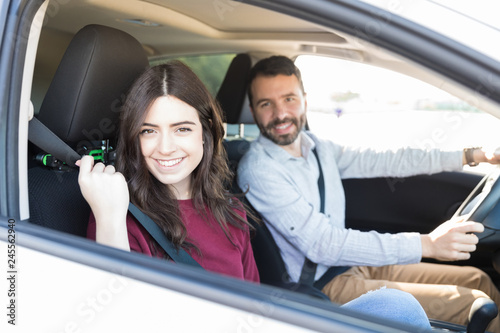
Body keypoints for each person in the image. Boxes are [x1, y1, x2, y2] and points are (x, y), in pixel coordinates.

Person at [77, 60, 432, 330]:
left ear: (205, 133)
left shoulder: (230, 211)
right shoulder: (119, 212)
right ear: (134, 138)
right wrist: (108, 217)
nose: (165, 147)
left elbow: (256, 304)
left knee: (395, 307)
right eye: (148, 131)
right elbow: (115, 319)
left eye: (181, 129)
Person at [237, 55, 500, 330]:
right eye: (266, 104)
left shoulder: (317, 148)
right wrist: (428, 244)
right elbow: (324, 244)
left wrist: (474, 155)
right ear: (253, 110)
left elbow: (390, 160)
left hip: (351, 265)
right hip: (322, 284)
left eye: (289, 99)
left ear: (304, 99)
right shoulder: (259, 170)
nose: (280, 114)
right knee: (472, 302)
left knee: (477, 278)